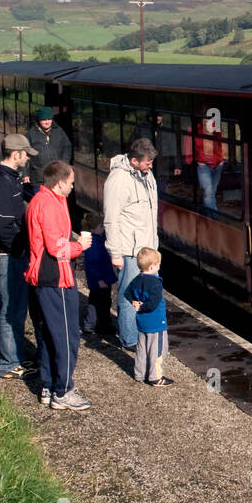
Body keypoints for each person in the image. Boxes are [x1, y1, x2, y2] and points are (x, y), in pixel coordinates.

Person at [25, 161, 92, 410]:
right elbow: (56, 248)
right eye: (72, 182)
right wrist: (79, 247)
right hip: (55, 276)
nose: (73, 187)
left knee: (47, 335)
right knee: (66, 336)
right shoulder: (50, 205)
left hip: (40, 276)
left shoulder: (41, 200)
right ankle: (63, 391)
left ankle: (48, 385)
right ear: (61, 182)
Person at [0, 133, 39, 380]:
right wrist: (20, 250)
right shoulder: (3, 183)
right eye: (25, 153)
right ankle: (9, 362)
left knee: (10, 306)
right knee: (12, 309)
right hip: (8, 254)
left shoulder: (8, 179)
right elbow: (4, 225)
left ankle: (8, 355)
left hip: (8, 252)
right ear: (16, 154)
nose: (27, 158)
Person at [103, 137, 159, 353]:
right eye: (147, 162)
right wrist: (115, 253)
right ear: (134, 161)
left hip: (147, 247)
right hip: (129, 250)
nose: (151, 166)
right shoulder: (118, 180)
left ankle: (139, 331)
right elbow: (111, 218)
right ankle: (128, 339)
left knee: (143, 293)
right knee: (129, 294)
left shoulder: (147, 175)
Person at [123, 247, 173, 387]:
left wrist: (135, 302)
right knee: (157, 351)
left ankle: (139, 373)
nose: (159, 266)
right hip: (156, 322)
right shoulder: (156, 283)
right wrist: (142, 306)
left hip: (142, 322)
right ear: (152, 266)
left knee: (142, 349)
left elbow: (127, 293)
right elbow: (153, 303)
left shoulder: (137, 279)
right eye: (158, 264)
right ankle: (155, 377)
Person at [80, 212, 117, 337]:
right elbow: (93, 263)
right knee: (102, 303)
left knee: (96, 301)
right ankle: (101, 326)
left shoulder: (96, 241)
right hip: (101, 279)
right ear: (92, 229)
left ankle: (92, 324)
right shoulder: (95, 244)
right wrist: (100, 279)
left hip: (100, 279)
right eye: (101, 226)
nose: (103, 228)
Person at [25, 106, 72, 188]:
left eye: (49, 119)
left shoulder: (59, 131)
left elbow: (67, 147)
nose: (47, 122)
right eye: (44, 120)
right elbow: (25, 154)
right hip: (39, 179)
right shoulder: (30, 134)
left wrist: (64, 164)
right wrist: (25, 173)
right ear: (39, 120)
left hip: (57, 177)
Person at [186, 119, 225, 211]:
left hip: (217, 164)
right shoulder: (194, 130)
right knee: (208, 192)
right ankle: (213, 218)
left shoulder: (217, 129)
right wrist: (195, 160)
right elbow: (189, 146)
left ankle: (205, 214)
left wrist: (222, 159)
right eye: (205, 121)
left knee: (212, 192)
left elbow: (222, 143)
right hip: (204, 165)